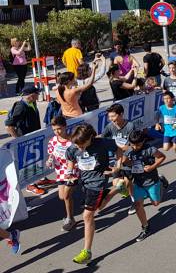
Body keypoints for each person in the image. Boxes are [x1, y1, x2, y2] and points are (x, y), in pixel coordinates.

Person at [66, 124, 122, 265]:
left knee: (87, 215)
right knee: (100, 207)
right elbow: (70, 158)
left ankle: (87, 252)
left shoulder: (102, 143)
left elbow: (119, 150)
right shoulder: (75, 146)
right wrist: (69, 173)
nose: (79, 148)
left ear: (91, 138)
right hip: (84, 183)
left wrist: (117, 168)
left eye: (82, 145)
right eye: (77, 145)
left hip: (97, 182)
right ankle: (117, 189)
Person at [122, 130, 166, 242]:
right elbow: (124, 162)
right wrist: (126, 161)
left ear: (143, 141)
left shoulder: (149, 149)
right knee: (137, 205)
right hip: (138, 182)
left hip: (152, 181)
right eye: (132, 144)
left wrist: (152, 167)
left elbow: (162, 157)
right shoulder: (129, 150)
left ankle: (161, 181)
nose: (135, 147)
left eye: (138, 144)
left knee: (155, 204)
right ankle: (145, 227)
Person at [101, 103, 138, 215]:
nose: (111, 119)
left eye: (113, 116)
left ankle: (134, 202)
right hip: (116, 159)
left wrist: (119, 148)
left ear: (121, 114)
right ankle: (128, 191)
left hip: (129, 158)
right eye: (109, 117)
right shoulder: (109, 127)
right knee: (117, 184)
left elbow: (132, 146)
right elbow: (103, 140)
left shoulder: (130, 126)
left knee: (127, 182)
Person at [46, 115, 77, 231]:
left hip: (72, 171)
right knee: (61, 197)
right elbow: (52, 154)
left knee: (66, 195)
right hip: (60, 172)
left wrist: (73, 168)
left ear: (65, 126)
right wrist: (49, 161)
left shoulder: (72, 141)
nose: (57, 132)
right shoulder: (53, 141)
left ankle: (70, 219)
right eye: (54, 130)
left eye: (59, 129)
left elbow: (79, 157)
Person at [156, 91, 176, 168]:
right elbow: (157, 116)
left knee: (175, 147)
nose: (166, 100)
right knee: (165, 148)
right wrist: (157, 124)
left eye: (168, 98)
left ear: (172, 99)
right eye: (165, 99)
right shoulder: (161, 108)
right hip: (167, 131)